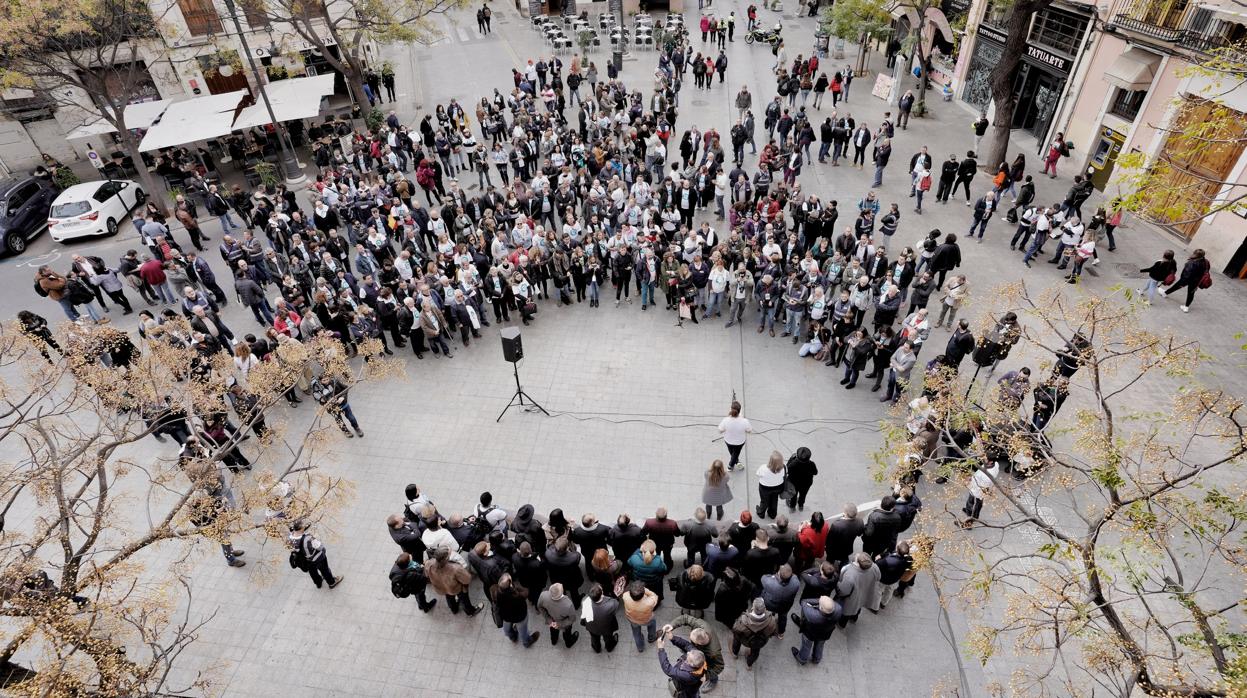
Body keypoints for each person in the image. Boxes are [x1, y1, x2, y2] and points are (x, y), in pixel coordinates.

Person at [664, 617, 724, 691]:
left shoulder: (714, 652)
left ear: (698, 644)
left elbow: (720, 666)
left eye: (692, 640)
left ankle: (713, 681)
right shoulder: (702, 625)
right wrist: (672, 625)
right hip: (698, 654)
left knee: (710, 671)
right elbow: (685, 618)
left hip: (708, 663)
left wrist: (707, 676)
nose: (689, 636)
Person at [426, 546, 483, 615]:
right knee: (464, 600)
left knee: (449, 597)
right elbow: (467, 580)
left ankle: (454, 609)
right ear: (447, 558)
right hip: (456, 589)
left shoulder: (429, 563)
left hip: (441, 588)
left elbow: (427, 575)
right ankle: (470, 612)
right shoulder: (455, 568)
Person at [288, 520, 343, 589]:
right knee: (324, 570)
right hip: (317, 558)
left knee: (312, 572)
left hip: (305, 561)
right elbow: (320, 547)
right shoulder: (308, 538)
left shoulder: (290, 537)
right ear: (301, 528)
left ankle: (318, 583)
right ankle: (332, 582)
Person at [656, 626, 707, 698]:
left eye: (689, 657)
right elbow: (687, 645)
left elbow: (668, 669)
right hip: (694, 684)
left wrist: (661, 649)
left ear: (691, 664)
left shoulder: (687, 675)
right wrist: (672, 638)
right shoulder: (698, 655)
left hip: (685, 692)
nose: (688, 653)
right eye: (690, 652)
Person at [790, 595, 840, 665]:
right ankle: (816, 659)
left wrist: (819, 600)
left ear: (821, 607)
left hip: (810, 633)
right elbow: (832, 604)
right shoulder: (838, 609)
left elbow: (804, 602)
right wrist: (825, 601)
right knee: (820, 645)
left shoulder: (812, 615)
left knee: (806, 646)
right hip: (825, 633)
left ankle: (802, 659)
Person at [731, 597, 778, 669]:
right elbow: (774, 632)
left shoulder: (743, 620)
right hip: (759, 642)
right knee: (755, 652)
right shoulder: (772, 620)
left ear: (753, 608)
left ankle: (735, 654)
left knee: (736, 639)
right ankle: (749, 665)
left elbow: (735, 629)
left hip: (745, 640)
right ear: (764, 609)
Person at [1160, 248, 1211, 313]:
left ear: (1195, 254)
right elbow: (1206, 270)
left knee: (1176, 286)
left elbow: (1187, 274)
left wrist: (1182, 281)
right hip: (1197, 281)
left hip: (1187, 279)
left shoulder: (1192, 262)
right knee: (1191, 293)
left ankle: (1165, 293)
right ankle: (1186, 307)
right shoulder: (1206, 262)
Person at [836, 552, 881, 626]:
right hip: (865, 594)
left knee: (847, 613)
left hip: (853, 599)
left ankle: (842, 624)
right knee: (858, 607)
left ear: (858, 563)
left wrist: (837, 584)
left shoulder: (850, 574)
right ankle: (854, 618)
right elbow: (878, 577)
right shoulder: (874, 566)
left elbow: (843, 591)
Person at [537, 582, 581, 648]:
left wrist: (548, 619)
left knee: (553, 631)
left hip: (551, 620)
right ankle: (568, 644)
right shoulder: (568, 604)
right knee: (567, 634)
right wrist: (559, 624)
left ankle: (554, 641)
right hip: (564, 624)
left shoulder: (543, 595)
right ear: (561, 594)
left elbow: (539, 607)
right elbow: (572, 619)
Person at [581, 582, 621, 653]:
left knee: (594, 638)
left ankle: (597, 649)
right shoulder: (611, 604)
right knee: (608, 638)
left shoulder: (584, 601)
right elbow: (616, 603)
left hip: (591, 626)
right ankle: (609, 648)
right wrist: (615, 595)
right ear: (602, 594)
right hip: (606, 628)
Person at [874, 540, 913, 609]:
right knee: (889, 591)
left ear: (897, 549)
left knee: (878, 592)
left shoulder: (887, 561)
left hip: (883, 579)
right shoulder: (908, 560)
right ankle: (883, 603)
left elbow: (877, 565)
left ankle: (875, 608)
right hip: (895, 579)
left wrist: (877, 559)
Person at [623, 580, 660, 652]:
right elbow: (654, 595)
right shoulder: (649, 602)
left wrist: (638, 590)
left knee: (636, 633)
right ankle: (651, 638)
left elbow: (628, 592)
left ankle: (640, 648)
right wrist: (644, 590)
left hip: (632, 619)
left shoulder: (625, 596)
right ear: (643, 594)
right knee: (652, 623)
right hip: (647, 619)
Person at [962, 461, 1001, 527]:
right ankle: (974, 515)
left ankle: (969, 522)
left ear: (990, 461)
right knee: (977, 504)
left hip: (976, 492)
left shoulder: (987, 475)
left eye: (985, 457)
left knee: (972, 505)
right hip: (978, 491)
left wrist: (971, 479)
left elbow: (983, 487)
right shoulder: (995, 464)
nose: (983, 458)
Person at [717, 400, 751, 470]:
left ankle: (732, 464)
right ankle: (733, 464)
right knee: (735, 453)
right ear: (739, 411)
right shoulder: (744, 421)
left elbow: (720, 430)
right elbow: (749, 430)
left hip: (728, 441)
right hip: (740, 442)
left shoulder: (726, 420)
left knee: (733, 453)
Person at [755, 451, 787, 519]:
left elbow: (758, 474)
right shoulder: (783, 467)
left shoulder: (763, 468)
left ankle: (761, 513)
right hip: (778, 487)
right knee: (774, 500)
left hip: (765, 488)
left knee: (764, 501)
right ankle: (772, 514)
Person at [783, 447, 817, 511]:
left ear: (797, 457)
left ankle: (792, 507)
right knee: (803, 495)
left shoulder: (793, 464)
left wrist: (791, 458)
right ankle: (801, 506)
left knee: (793, 495)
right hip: (806, 484)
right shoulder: (811, 464)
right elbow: (815, 473)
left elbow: (787, 469)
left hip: (794, 484)